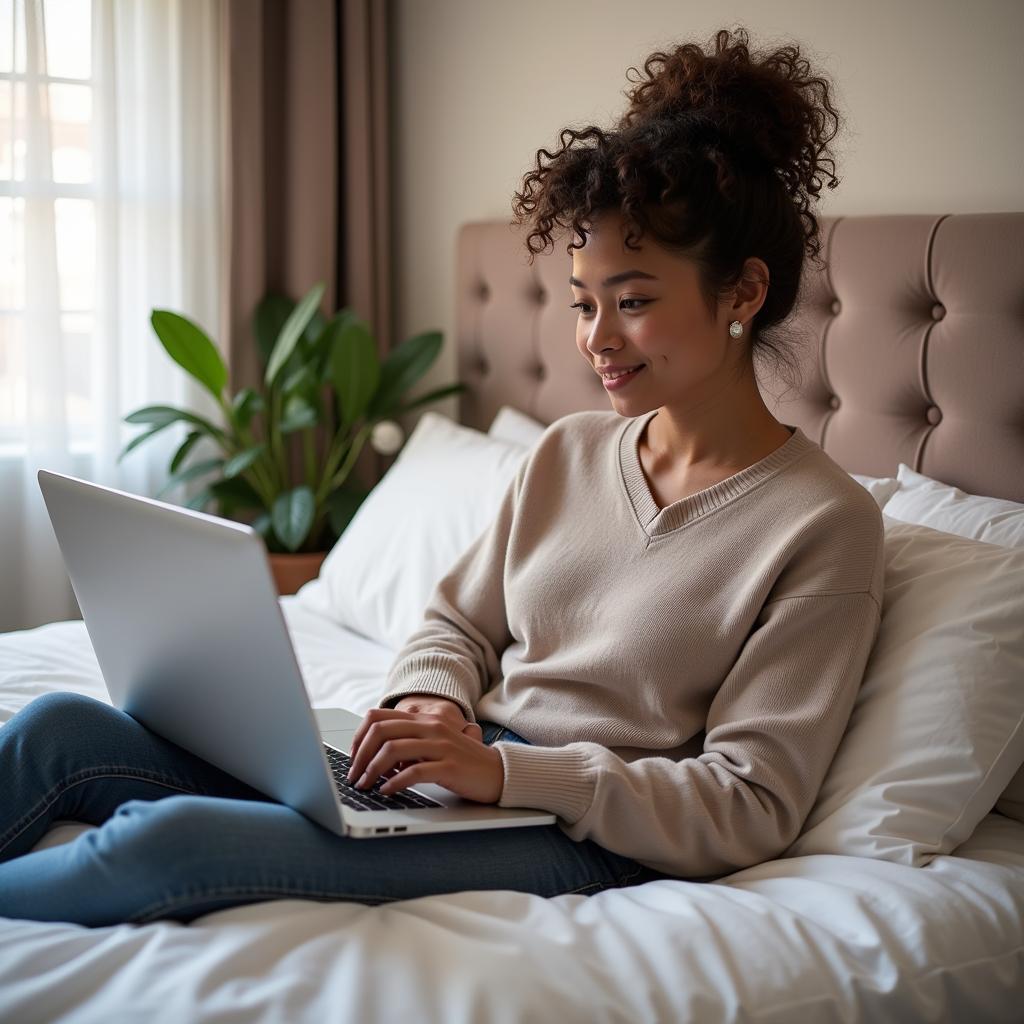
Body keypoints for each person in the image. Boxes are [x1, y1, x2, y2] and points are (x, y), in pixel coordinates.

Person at [0, 25, 883, 928]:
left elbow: (750, 804)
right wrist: (431, 706)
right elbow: (458, 621)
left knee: (166, 844)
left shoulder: (821, 523)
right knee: (58, 730)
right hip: (458, 773)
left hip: (579, 835)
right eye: (583, 303)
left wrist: (505, 772)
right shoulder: (568, 452)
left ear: (741, 293)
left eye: (635, 300)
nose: (597, 339)